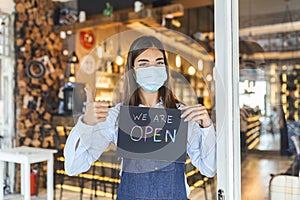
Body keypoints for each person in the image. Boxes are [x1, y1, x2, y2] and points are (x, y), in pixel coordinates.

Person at [64, 36, 216, 200]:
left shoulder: (181, 116)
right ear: (133, 72)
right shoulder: (117, 116)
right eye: (143, 64)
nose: (153, 69)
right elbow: (73, 166)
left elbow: (208, 169)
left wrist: (206, 127)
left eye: (159, 63)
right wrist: (86, 124)